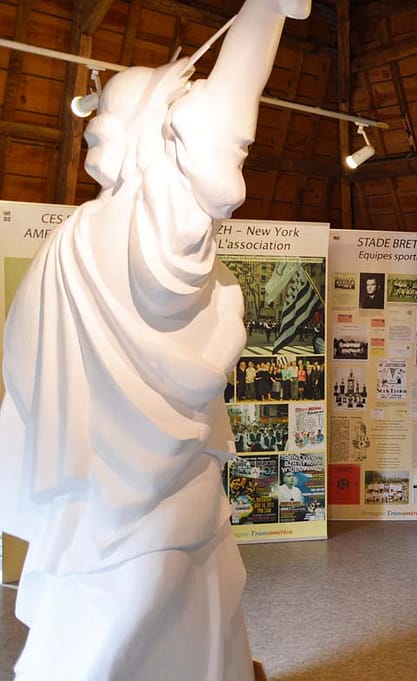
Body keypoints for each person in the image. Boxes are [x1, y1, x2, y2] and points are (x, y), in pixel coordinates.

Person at [0, 1, 310, 679]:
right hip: (150, 505)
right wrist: (265, 13)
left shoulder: (74, 240)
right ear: (163, 138)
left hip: (99, 499)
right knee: (145, 619)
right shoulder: (156, 232)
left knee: (141, 619)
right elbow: (228, 106)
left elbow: (24, 370)